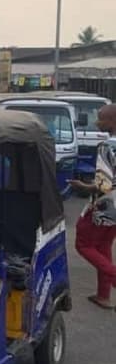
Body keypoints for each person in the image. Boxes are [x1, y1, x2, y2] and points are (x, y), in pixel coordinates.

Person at [69, 103, 116, 309]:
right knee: (103, 246)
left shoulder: (108, 146)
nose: (97, 123)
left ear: (113, 122)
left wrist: (83, 186)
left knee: (84, 244)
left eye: (102, 119)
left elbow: (103, 185)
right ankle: (103, 295)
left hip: (106, 207)